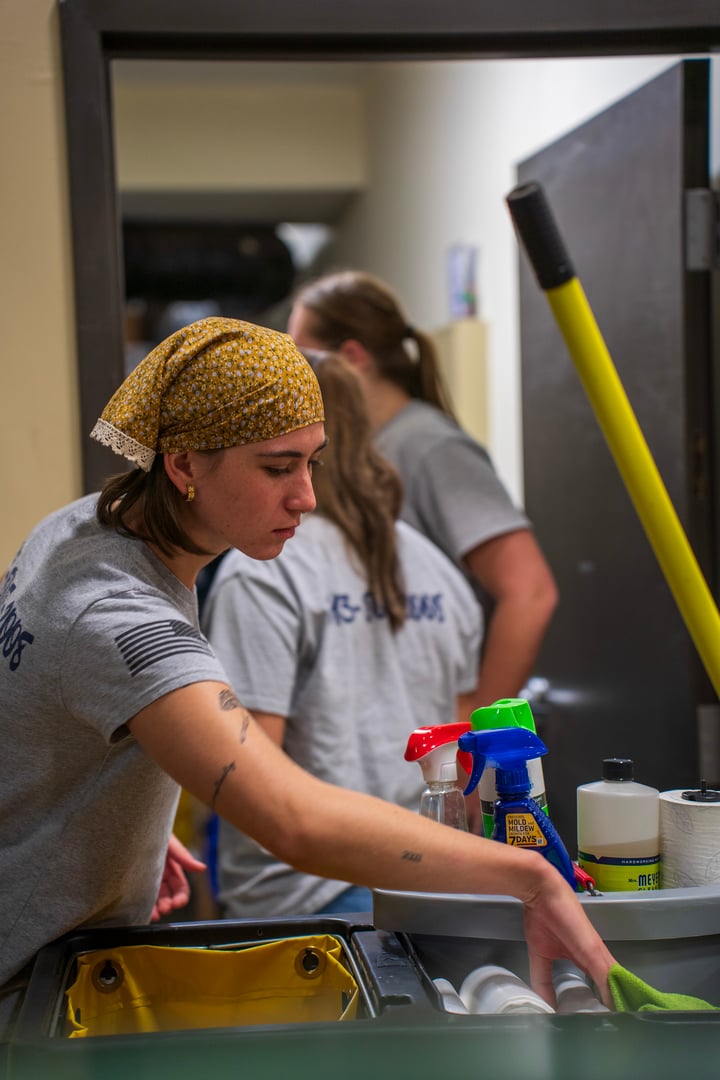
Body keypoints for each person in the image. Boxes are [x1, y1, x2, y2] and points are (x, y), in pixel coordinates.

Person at [0, 317, 614, 1038]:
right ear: (183, 464)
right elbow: (290, 819)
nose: (307, 497)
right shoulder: (118, 614)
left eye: (313, 463)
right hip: (27, 998)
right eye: (276, 468)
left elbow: (37, 700)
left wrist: (118, 812)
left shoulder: (77, 529)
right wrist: (529, 878)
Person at [201, 349, 483, 918]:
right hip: (428, 879)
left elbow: (248, 778)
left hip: (305, 896)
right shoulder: (434, 566)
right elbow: (462, 756)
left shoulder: (265, 569)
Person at [287, 270, 559, 709]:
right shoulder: (360, 450)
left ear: (352, 356)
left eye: (303, 355)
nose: (295, 372)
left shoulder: (431, 447)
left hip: (440, 717)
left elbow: (530, 592)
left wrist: (477, 723)